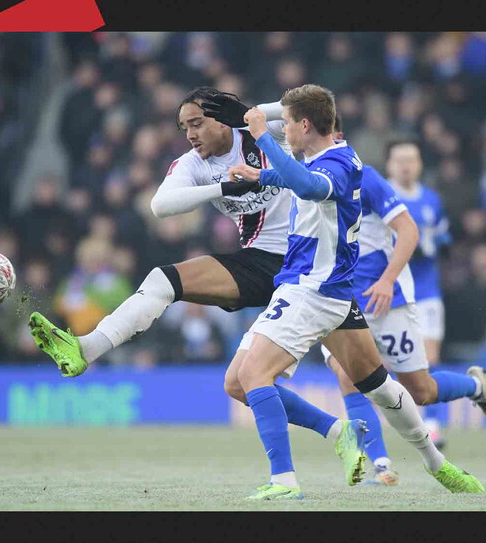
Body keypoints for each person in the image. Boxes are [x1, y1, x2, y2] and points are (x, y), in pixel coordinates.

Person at [28, 87, 372, 490]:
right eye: (183, 127)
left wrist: (249, 113)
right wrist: (223, 188)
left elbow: (311, 106)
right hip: (261, 265)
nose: (190, 134)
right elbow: (160, 206)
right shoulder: (192, 164)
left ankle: (379, 440)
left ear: (222, 120)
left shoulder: (265, 133)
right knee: (164, 282)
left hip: (311, 265)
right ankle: (86, 348)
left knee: (378, 382)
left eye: (197, 123)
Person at [226, 84, 484, 499]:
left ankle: (284, 480)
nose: (282, 131)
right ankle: (435, 462)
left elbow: (310, 187)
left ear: (305, 125)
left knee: (252, 376)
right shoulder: (325, 160)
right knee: (373, 384)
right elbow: (302, 181)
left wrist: (260, 137)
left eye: (287, 124)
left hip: (312, 290)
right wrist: (262, 175)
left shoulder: (339, 164)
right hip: (330, 293)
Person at [321, 119, 486, 486]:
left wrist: (387, 280)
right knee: (347, 376)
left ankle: (475, 387)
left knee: (420, 390)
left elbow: (411, 232)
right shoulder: (302, 178)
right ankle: (381, 466)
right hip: (339, 298)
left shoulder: (366, 178)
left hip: (386, 298)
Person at [386, 139, 486, 433]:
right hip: (389, 290)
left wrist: (431, 244)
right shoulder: (381, 196)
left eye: (411, 159)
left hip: (425, 290)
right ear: (389, 165)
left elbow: (443, 237)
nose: (405, 166)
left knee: (429, 358)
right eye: (400, 160)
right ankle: (397, 416)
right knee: (385, 362)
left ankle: (433, 423)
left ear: (420, 165)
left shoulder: (432, 200)